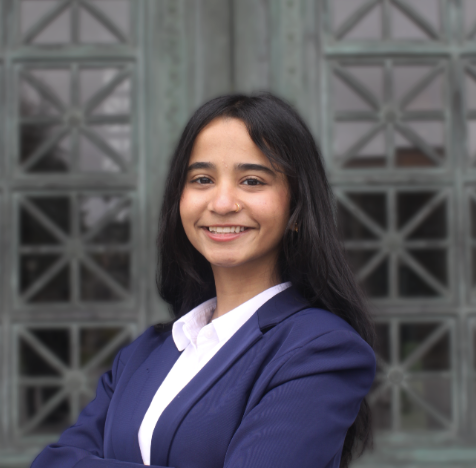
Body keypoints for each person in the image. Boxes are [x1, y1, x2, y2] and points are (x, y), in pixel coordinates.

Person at [31, 93, 376, 468]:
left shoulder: (321, 349)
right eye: (201, 179)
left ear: (296, 210)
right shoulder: (143, 355)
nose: (223, 202)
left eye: (252, 180)